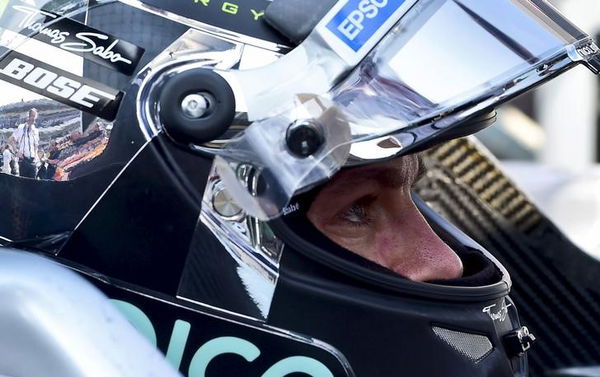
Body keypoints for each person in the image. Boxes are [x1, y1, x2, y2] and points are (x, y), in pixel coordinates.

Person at [9, 108, 40, 178]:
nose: (33, 118)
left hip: (33, 161)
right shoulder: (21, 128)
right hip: (23, 160)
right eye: (32, 116)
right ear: (28, 116)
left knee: (33, 183)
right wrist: (16, 151)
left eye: (34, 116)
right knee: (23, 183)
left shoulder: (36, 131)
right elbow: (10, 140)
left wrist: (36, 158)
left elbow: (36, 147)